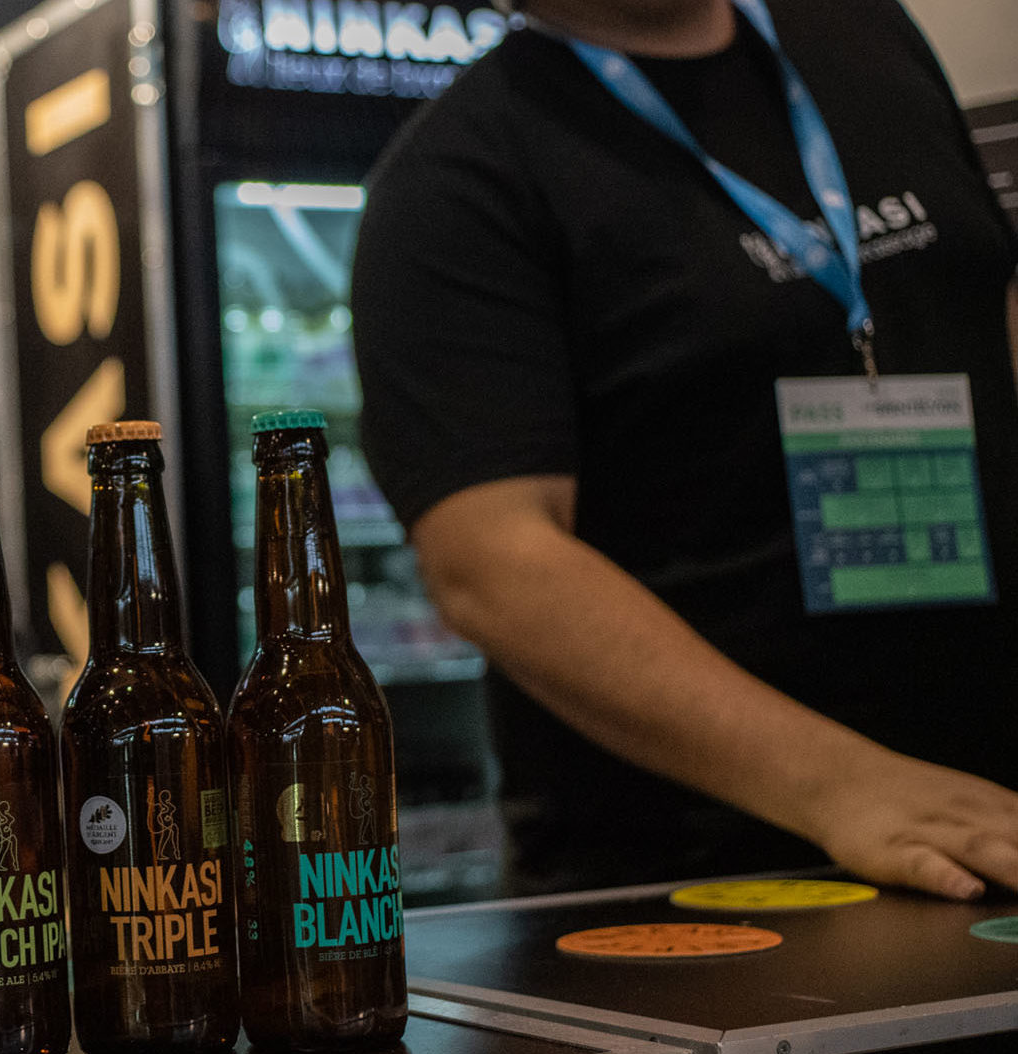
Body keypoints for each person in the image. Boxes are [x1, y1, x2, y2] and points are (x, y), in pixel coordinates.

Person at [353, 0, 1018, 898]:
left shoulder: (864, 31)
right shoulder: (455, 176)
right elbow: (493, 563)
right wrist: (846, 786)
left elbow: (984, 309)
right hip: (701, 872)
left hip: (987, 814)